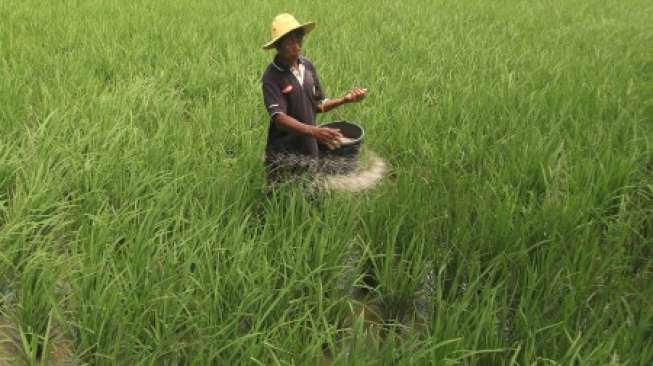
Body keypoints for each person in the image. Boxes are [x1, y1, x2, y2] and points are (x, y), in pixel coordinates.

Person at [261, 13, 367, 184]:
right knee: (279, 201)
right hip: (282, 153)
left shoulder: (307, 66)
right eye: (290, 41)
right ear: (278, 46)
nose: (297, 46)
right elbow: (279, 118)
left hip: (309, 148)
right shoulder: (272, 76)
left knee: (311, 197)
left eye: (299, 39)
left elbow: (318, 104)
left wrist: (344, 100)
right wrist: (314, 131)